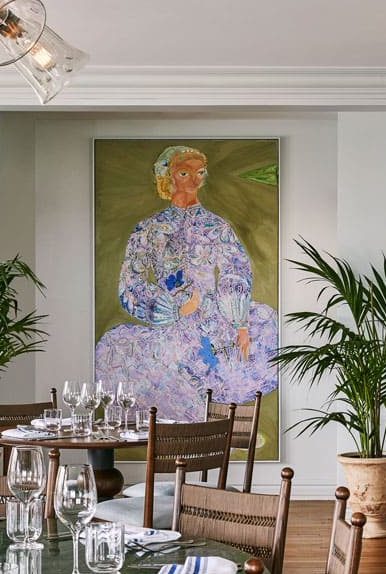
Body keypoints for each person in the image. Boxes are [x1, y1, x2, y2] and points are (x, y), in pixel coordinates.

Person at [94, 145, 278, 420]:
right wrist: (172, 309)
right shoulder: (148, 228)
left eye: (200, 172)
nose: (195, 180)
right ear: (168, 177)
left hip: (216, 318)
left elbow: (235, 269)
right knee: (117, 348)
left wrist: (239, 321)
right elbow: (131, 281)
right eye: (184, 172)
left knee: (265, 323)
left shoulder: (216, 226)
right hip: (170, 323)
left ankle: (208, 425)